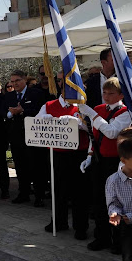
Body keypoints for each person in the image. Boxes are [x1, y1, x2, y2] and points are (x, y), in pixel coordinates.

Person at [78, 77, 131, 253]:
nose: (107, 96)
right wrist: (89, 155)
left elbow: (111, 132)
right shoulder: (100, 109)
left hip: (116, 162)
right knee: (99, 200)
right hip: (99, 160)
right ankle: (102, 237)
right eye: (105, 93)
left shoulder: (125, 112)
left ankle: (118, 240)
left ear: (121, 95)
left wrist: (92, 115)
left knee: (115, 202)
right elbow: (95, 136)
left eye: (111, 93)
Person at [36, 95, 90, 240]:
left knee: (79, 192)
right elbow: (35, 121)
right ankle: (59, 221)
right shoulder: (48, 104)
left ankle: (80, 227)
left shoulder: (82, 104)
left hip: (78, 153)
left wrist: (77, 122)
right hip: (57, 154)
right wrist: (44, 119)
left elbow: (91, 127)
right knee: (58, 189)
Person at [1, 70, 45, 206]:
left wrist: (23, 111)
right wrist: (10, 114)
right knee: (20, 167)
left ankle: (39, 196)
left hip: (33, 136)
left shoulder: (36, 93)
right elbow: (3, 111)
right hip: (16, 137)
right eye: (12, 82)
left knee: (36, 167)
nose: (15, 84)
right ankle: (24, 193)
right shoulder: (9, 96)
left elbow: (40, 111)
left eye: (17, 81)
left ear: (25, 79)